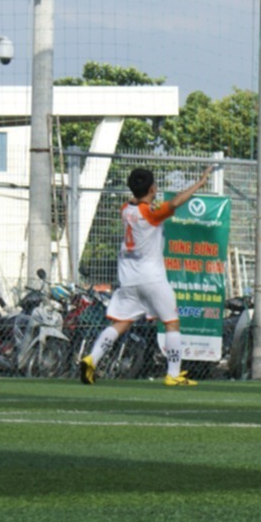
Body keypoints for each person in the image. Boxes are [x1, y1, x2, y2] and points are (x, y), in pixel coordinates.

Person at [80, 164, 213, 386]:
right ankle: (173, 374)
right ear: (153, 188)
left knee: (121, 324)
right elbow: (175, 202)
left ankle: (91, 360)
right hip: (151, 279)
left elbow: (138, 203)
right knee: (172, 323)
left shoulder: (126, 209)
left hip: (128, 279)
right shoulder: (150, 214)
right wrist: (199, 183)